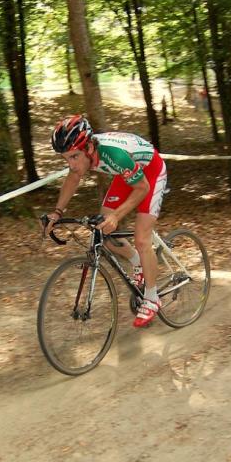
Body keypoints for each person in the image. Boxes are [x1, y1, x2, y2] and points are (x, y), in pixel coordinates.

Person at [45, 115, 168, 328]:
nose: (71, 164)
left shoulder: (113, 155)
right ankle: (138, 263)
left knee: (141, 239)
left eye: (74, 157)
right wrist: (56, 212)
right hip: (127, 172)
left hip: (151, 174)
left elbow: (143, 188)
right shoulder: (85, 153)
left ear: (89, 149)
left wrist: (116, 216)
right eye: (66, 159)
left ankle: (152, 297)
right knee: (103, 231)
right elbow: (73, 178)